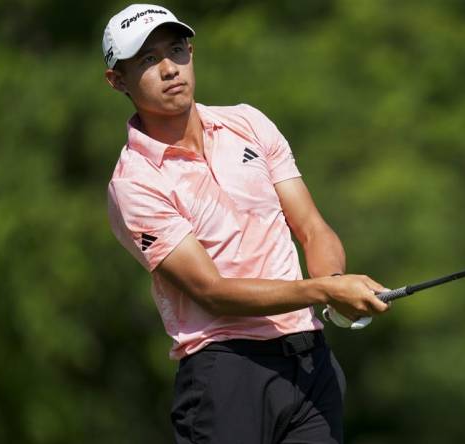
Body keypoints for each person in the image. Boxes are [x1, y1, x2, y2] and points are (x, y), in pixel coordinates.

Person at [102, 4, 390, 443]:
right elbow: (211, 293)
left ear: (191, 53)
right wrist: (326, 290)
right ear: (117, 81)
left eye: (176, 50)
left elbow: (310, 226)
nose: (169, 69)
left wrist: (335, 285)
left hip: (310, 362)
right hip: (225, 373)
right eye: (147, 60)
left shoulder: (248, 123)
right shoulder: (135, 184)